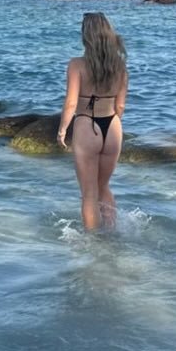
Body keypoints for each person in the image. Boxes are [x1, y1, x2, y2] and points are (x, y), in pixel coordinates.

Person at [57, 12, 128, 230]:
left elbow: (71, 103)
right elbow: (120, 106)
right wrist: (114, 122)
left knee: (89, 194)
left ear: (86, 36)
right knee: (103, 186)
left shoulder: (77, 65)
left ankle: (93, 243)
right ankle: (112, 233)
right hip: (113, 127)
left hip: (87, 125)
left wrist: (62, 130)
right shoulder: (120, 66)